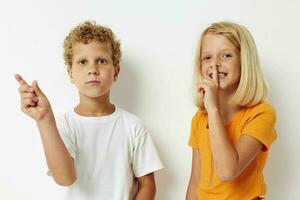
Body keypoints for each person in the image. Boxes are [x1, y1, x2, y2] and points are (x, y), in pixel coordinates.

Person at [15, 21, 163, 200]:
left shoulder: (133, 126)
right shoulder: (62, 125)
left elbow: (147, 185)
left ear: (115, 71)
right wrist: (44, 119)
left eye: (101, 61)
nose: (92, 69)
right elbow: (65, 178)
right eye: (83, 62)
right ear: (71, 73)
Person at [186, 21, 277, 200]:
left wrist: (213, 108)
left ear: (245, 62)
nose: (215, 64)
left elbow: (228, 171)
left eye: (226, 55)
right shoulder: (199, 119)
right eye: (207, 58)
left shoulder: (262, 114)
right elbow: (196, 182)